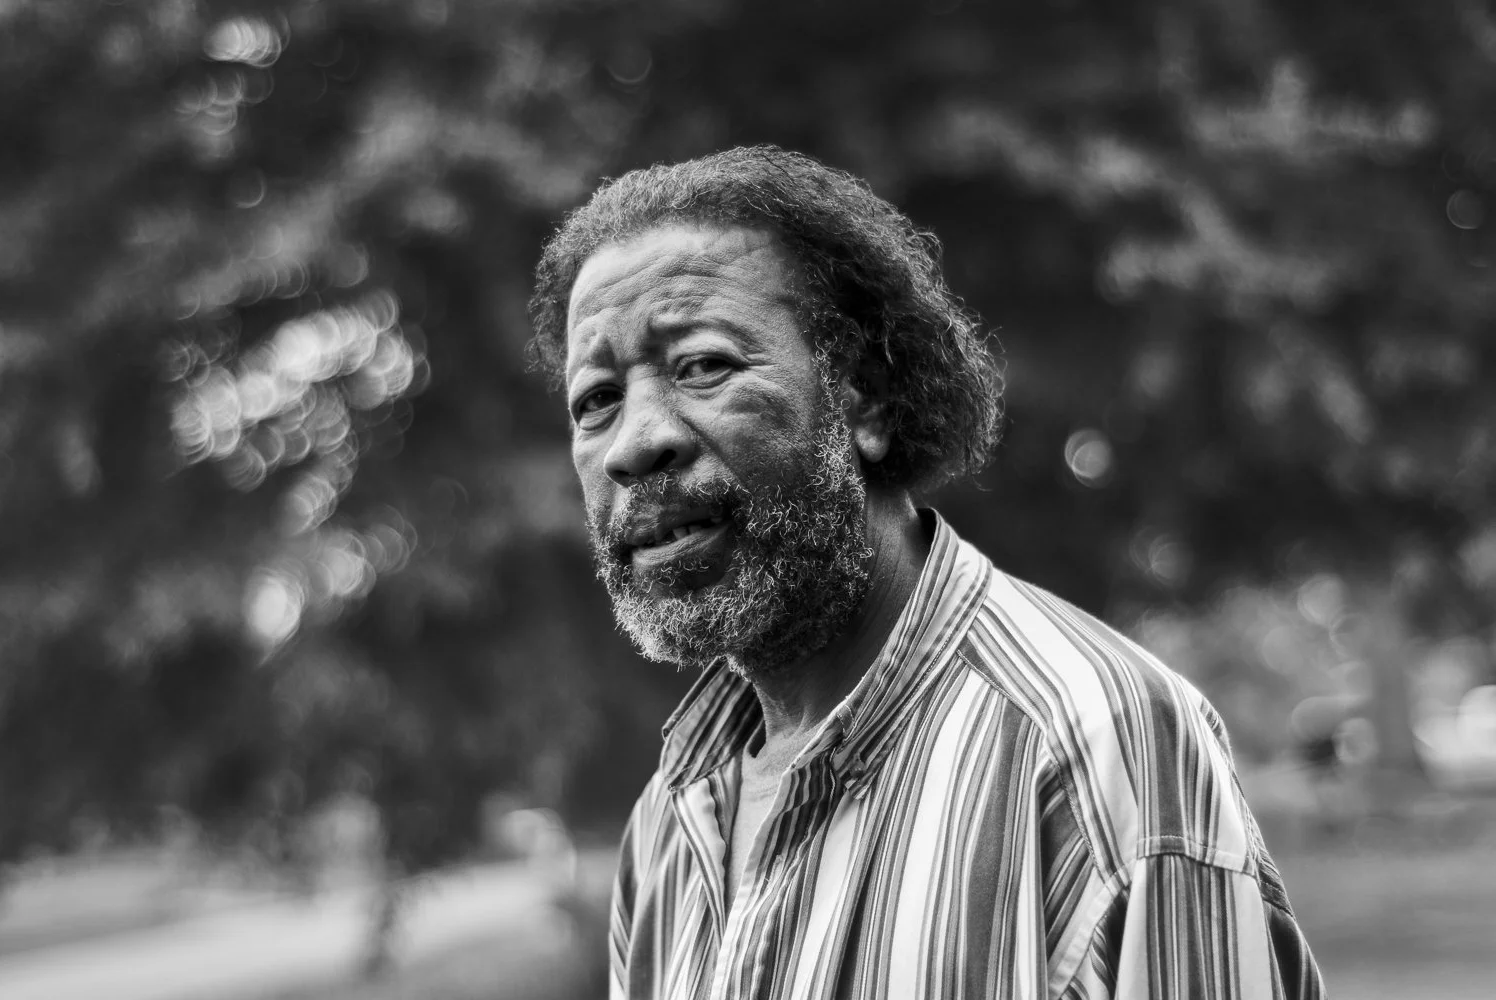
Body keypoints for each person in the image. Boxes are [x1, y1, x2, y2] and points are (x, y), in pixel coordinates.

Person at [527, 146, 1326, 1000]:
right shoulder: (668, 828)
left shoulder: (1097, 748)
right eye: (596, 400)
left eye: (703, 366)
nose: (634, 441)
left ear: (864, 396)